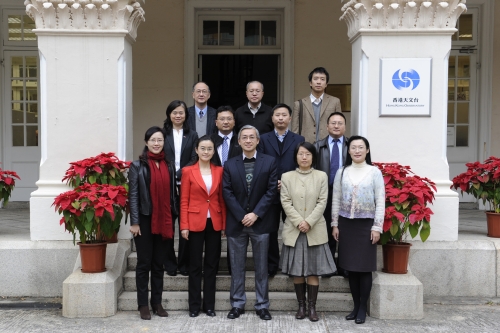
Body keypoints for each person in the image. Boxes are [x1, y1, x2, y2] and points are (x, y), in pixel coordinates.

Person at [222, 125, 277, 321]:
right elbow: (227, 192)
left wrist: (255, 214)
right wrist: (241, 215)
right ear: (238, 141)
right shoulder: (229, 164)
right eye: (244, 137)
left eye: (251, 137)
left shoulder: (270, 162)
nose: (247, 140)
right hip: (237, 224)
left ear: (258, 140)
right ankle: (237, 304)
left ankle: (262, 305)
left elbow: (271, 191)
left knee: (261, 268)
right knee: (237, 267)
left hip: (260, 223)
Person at [280, 142, 337, 322]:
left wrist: (309, 222)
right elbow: (286, 202)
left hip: (315, 230)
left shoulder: (321, 176)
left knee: (313, 271)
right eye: (301, 154)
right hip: (294, 230)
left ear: (313, 157)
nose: (304, 157)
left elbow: (322, 202)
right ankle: (301, 306)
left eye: (308, 154)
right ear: (295, 156)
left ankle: (312, 307)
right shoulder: (287, 177)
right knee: (298, 271)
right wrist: (299, 222)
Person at [331, 136, 385, 325]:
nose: (357, 150)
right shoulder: (342, 171)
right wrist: (335, 224)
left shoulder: (374, 172)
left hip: (366, 225)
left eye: (361, 147)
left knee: (364, 269)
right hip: (346, 224)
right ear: (349, 151)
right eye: (353, 147)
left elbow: (380, 201)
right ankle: (355, 307)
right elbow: (336, 199)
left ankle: (363, 307)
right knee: (351, 268)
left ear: (367, 150)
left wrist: (377, 227)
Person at [128, 126, 179, 320]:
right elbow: (133, 195)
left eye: (160, 140)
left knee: (159, 264)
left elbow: (173, 194)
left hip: (164, 220)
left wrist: (174, 216)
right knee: (144, 263)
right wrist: (135, 222)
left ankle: (157, 303)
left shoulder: (169, 165)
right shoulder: (137, 166)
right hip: (144, 220)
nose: (156, 143)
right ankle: (143, 304)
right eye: (153, 140)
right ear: (146, 142)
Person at [180, 135, 226, 318]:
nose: (206, 152)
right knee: (195, 266)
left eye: (209, 149)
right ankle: (193, 306)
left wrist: (223, 225)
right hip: (194, 223)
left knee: (211, 265)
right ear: (196, 150)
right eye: (203, 148)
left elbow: (222, 199)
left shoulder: (220, 171)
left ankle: (209, 305)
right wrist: (184, 225)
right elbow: (184, 200)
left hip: (214, 221)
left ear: (214, 151)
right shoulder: (187, 171)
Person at [257, 103, 305, 277]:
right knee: (270, 230)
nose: (280, 118)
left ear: (290, 118)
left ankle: (293, 264)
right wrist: (273, 183)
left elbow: (301, 164)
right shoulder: (263, 138)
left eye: (284, 115)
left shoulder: (298, 139)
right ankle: (272, 264)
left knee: (293, 227)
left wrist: (287, 183)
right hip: (270, 192)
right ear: (272, 118)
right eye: (277, 115)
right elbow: (260, 163)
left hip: (292, 191)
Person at [163, 100, 198, 276]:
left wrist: (179, 173)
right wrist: (170, 174)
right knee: (168, 227)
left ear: (186, 115)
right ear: (169, 114)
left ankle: (184, 264)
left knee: (186, 226)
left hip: (186, 185)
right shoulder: (162, 134)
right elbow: (158, 155)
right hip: (166, 187)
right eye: (175, 112)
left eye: (181, 112)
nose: (178, 115)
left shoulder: (192, 135)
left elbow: (195, 157)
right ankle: (169, 264)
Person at [315, 112, 349, 277]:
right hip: (325, 193)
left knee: (345, 230)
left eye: (340, 123)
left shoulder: (352, 146)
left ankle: (344, 266)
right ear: (327, 126)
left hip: (347, 193)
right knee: (327, 229)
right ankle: (328, 266)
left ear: (345, 126)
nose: (336, 126)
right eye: (333, 123)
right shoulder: (317, 146)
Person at [291, 67, 342, 144]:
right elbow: (295, 131)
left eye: (322, 79)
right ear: (310, 83)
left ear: (326, 84)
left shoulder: (335, 102)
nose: (319, 82)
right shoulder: (299, 104)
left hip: (328, 145)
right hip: (306, 147)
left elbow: (339, 126)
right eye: (315, 79)